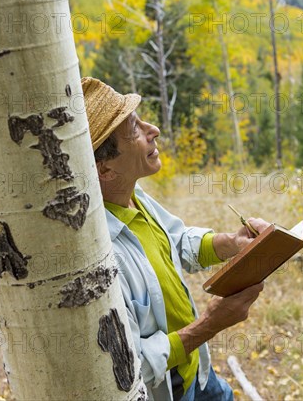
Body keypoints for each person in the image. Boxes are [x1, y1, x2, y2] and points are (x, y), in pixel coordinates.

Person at [82, 77, 269, 401]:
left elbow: (176, 240)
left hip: (196, 369)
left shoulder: (134, 197)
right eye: (135, 129)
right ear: (105, 169)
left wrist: (231, 243)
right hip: (170, 390)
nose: (153, 129)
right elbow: (132, 362)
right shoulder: (99, 257)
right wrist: (210, 324)